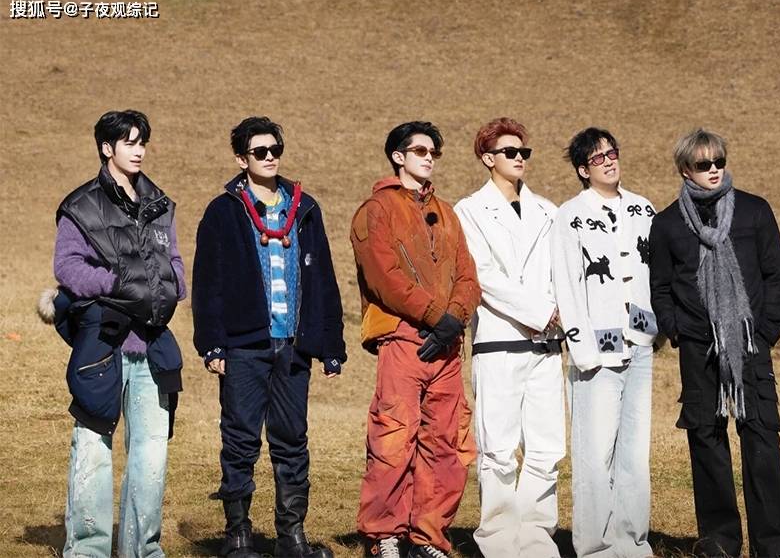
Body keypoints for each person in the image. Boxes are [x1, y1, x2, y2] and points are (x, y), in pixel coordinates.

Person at [192, 116, 346, 558]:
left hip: (294, 345)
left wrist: (330, 345)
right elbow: (208, 283)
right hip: (245, 346)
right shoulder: (223, 212)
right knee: (240, 439)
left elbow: (323, 279)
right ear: (241, 159)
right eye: (259, 151)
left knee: (292, 440)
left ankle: (291, 537)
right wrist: (212, 344)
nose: (270, 157)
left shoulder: (305, 208)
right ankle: (238, 536)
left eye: (275, 149)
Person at [649, 128, 780, 558]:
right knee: (706, 440)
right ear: (685, 169)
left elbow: (776, 275)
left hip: (749, 344)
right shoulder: (668, 223)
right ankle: (719, 541)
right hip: (699, 347)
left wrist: (766, 331)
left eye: (719, 161)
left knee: (762, 438)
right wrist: (678, 329)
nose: (713, 170)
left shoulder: (754, 211)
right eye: (703, 164)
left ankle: (774, 546)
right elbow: (660, 287)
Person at [50, 109, 186, 557]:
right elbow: (67, 266)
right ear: (107, 148)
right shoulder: (81, 205)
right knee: (93, 450)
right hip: (103, 345)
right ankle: (87, 550)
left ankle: (142, 550)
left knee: (151, 455)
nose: (139, 150)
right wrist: (116, 284)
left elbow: (175, 263)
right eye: (129, 142)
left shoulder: (160, 203)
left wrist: (173, 286)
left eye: (142, 141)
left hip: (154, 345)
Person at [350, 121, 481, 558]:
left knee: (446, 444)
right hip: (403, 339)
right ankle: (384, 535)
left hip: (447, 346)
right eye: (420, 151)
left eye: (434, 152)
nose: (429, 158)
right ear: (398, 156)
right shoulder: (376, 210)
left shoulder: (447, 212)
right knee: (394, 438)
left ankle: (428, 537)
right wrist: (435, 316)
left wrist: (454, 319)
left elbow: (468, 276)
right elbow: (383, 276)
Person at [454, 117, 565, 558]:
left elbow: (561, 271)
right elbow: (482, 275)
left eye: (524, 152)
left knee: (546, 448)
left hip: (546, 346)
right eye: (510, 152)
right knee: (498, 449)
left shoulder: (549, 211)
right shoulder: (468, 211)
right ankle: (499, 542)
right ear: (488, 159)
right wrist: (541, 312)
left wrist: (556, 315)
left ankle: (536, 540)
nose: (520, 159)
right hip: (499, 342)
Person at [551, 127, 658, 558]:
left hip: (640, 342)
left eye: (612, 153)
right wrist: (582, 350)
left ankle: (632, 543)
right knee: (595, 454)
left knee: (634, 452)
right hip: (595, 348)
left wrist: (655, 329)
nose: (609, 161)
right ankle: (595, 547)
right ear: (583, 169)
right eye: (598, 158)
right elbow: (567, 284)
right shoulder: (570, 216)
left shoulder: (643, 209)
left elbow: (655, 272)